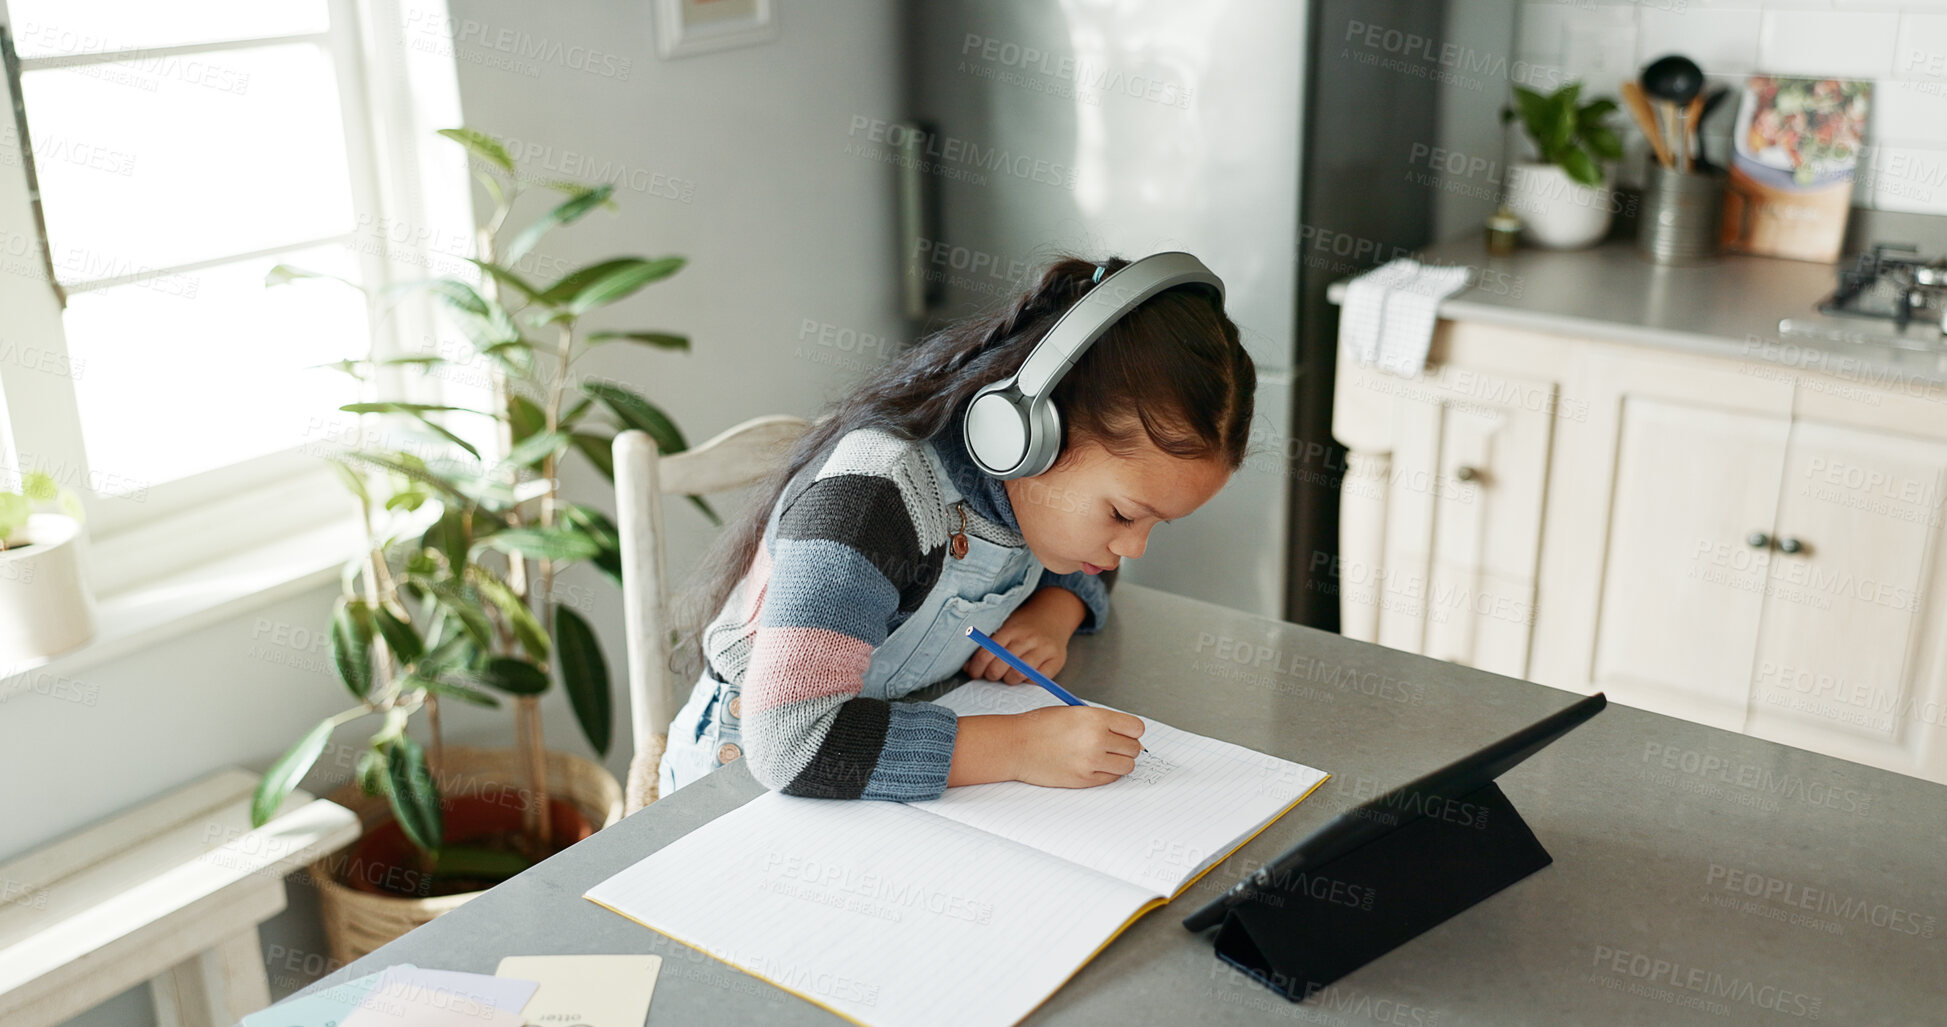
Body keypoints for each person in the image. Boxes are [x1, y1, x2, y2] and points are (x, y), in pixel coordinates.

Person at [656, 254, 1256, 802]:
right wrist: (1021, 747)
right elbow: (792, 741)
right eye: (1124, 515)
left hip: (882, 758)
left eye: (1157, 524)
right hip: (741, 781)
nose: (1133, 547)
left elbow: (1093, 564)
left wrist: (1054, 612)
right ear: (1024, 436)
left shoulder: (1035, 500)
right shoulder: (872, 502)